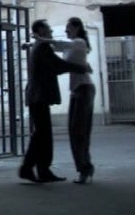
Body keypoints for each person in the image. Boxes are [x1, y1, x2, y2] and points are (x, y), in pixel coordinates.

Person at [18, 19, 90, 183]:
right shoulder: (42, 47)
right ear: (41, 31)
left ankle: (40, 169)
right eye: (48, 29)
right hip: (38, 95)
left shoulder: (40, 45)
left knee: (42, 134)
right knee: (42, 134)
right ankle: (30, 168)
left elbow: (56, 58)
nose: (51, 31)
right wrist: (81, 68)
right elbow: (56, 65)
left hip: (38, 95)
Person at [35, 17, 96, 184]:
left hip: (84, 88)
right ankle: (85, 168)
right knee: (75, 131)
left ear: (77, 28)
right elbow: (55, 48)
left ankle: (85, 169)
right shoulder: (73, 46)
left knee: (79, 132)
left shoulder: (79, 42)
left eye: (68, 27)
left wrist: (41, 38)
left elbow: (60, 44)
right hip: (76, 90)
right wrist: (32, 44)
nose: (66, 30)